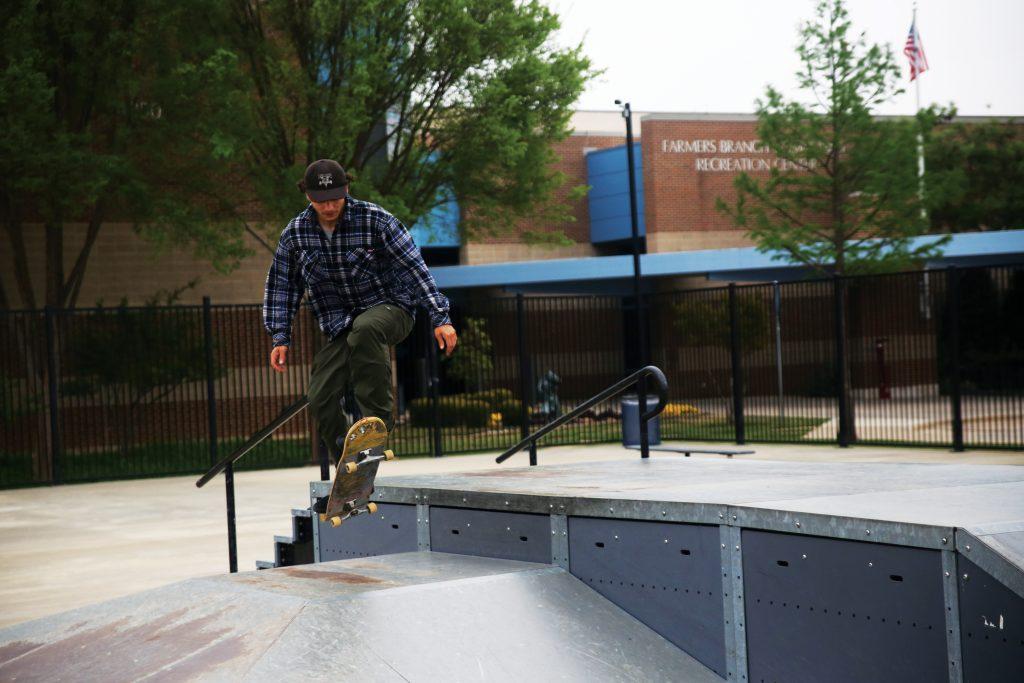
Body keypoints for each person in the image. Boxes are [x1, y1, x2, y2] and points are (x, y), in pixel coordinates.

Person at [263, 159, 457, 460]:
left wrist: (439, 317)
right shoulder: (295, 234)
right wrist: (280, 337)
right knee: (319, 396)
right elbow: (283, 286)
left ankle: (376, 428)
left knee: (366, 328)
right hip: (342, 325)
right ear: (308, 197)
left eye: (335, 199)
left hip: (393, 309)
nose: (329, 208)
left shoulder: (375, 220)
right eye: (321, 201)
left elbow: (413, 267)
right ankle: (349, 457)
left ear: (347, 190)